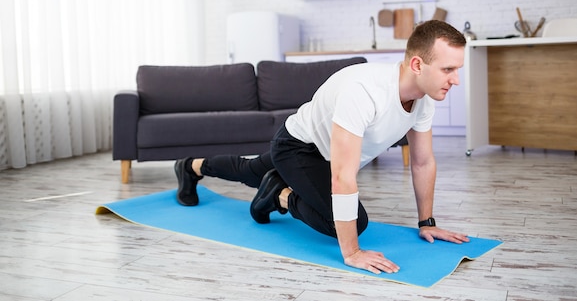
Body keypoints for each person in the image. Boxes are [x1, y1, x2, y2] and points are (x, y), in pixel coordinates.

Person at [174, 19, 470, 275]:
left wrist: (427, 222)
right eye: (448, 69)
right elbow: (342, 177)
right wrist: (352, 252)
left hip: (325, 156)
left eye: (457, 69)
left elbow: (422, 162)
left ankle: (197, 168)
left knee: (250, 170)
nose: (455, 80)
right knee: (352, 222)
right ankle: (270, 191)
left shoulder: (424, 99)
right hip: (297, 147)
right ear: (418, 64)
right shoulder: (366, 92)